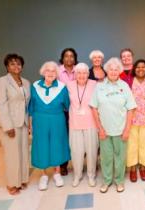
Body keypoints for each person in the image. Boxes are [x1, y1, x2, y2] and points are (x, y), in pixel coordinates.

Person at [90, 57, 137, 193]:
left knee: (120, 157)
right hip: (105, 130)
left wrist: (127, 129)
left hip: (121, 130)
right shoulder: (99, 86)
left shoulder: (124, 86)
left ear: (119, 71)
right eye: (111, 69)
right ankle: (106, 181)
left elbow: (131, 108)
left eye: (116, 69)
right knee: (106, 157)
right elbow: (93, 108)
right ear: (107, 70)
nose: (114, 72)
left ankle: (119, 181)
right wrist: (100, 129)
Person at [29, 61, 70, 191]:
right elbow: (31, 107)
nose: (50, 73)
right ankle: (43, 175)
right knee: (41, 145)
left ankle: (57, 173)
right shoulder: (35, 86)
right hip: (39, 120)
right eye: (48, 71)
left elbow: (68, 105)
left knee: (57, 144)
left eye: (53, 71)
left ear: (57, 74)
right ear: (43, 72)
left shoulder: (62, 87)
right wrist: (30, 125)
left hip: (57, 119)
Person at [0, 53, 30, 195]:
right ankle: (12, 184)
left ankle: (21, 180)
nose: (16, 66)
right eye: (12, 64)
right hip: (11, 125)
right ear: (7, 67)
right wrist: (7, 126)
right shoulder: (1, 82)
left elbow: (26, 104)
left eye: (18, 63)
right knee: (12, 154)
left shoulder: (26, 82)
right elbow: (1, 105)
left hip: (23, 123)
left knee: (23, 153)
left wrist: (29, 123)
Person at [67, 63, 99, 187]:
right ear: (75, 74)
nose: (82, 75)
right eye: (79, 72)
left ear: (88, 74)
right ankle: (77, 175)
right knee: (76, 151)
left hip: (91, 123)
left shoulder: (94, 84)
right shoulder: (69, 85)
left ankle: (91, 175)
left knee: (91, 150)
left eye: (84, 72)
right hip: (75, 123)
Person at [58, 48, 78, 176]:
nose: (69, 58)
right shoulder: (57, 71)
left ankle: (79, 163)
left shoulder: (80, 69)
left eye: (71, 56)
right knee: (63, 138)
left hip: (78, 110)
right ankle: (63, 165)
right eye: (66, 56)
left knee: (77, 138)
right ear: (62, 58)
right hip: (62, 111)